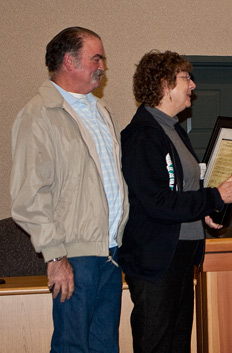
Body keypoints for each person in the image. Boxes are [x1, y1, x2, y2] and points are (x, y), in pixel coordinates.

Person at [10, 27, 129, 352]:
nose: (102, 65)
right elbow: (28, 196)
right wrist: (56, 256)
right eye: (96, 58)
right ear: (68, 61)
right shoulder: (39, 115)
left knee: (105, 346)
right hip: (74, 256)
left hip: (109, 254)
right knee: (72, 346)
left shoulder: (101, 112)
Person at [119, 50, 232, 353]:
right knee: (156, 345)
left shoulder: (172, 128)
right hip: (156, 260)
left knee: (177, 345)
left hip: (180, 256)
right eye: (186, 78)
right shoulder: (142, 135)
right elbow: (156, 202)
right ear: (164, 84)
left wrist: (204, 211)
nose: (193, 85)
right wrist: (215, 196)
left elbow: (180, 189)